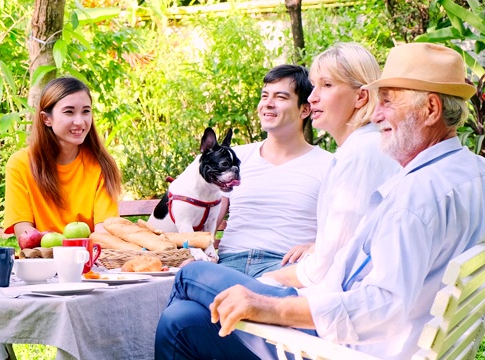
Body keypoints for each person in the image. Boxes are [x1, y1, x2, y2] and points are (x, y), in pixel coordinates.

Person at [155, 43, 485, 360]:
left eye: (387, 102)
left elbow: (383, 307)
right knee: (181, 319)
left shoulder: (415, 196)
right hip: (373, 333)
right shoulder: (473, 172)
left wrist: (271, 306)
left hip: (343, 347)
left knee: (187, 283)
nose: (377, 114)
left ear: (430, 110)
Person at [264, 43, 400, 288]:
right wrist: (319, 246)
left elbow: (324, 271)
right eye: (314, 85)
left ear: (361, 96)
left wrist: (266, 280)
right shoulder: (366, 146)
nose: (312, 97)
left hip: (334, 307)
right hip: (345, 294)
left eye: (326, 85)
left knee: (192, 279)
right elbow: (351, 240)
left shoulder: (361, 155)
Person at [214, 65, 333, 276]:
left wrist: (316, 246)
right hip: (228, 263)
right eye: (264, 95)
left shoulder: (328, 165)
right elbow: (211, 217)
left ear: (304, 109)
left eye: (280, 97)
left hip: (283, 267)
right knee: (180, 308)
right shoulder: (234, 158)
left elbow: (341, 229)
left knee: (194, 283)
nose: (268, 104)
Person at [4, 76, 121, 239]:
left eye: (86, 111)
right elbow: (24, 230)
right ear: (47, 119)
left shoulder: (101, 165)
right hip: (41, 259)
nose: (80, 121)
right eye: (69, 112)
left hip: (90, 260)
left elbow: (105, 230)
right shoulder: (20, 164)